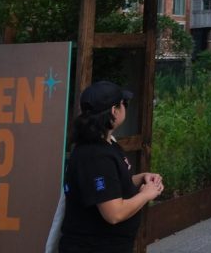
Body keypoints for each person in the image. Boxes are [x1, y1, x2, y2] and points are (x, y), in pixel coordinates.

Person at [58, 81, 163, 253]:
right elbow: (114, 214)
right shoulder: (96, 155)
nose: (125, 108)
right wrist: (146, 194)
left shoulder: (106, 145)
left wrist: (141, 178)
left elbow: (111, 184)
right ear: (114, 111)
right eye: (124, 103)